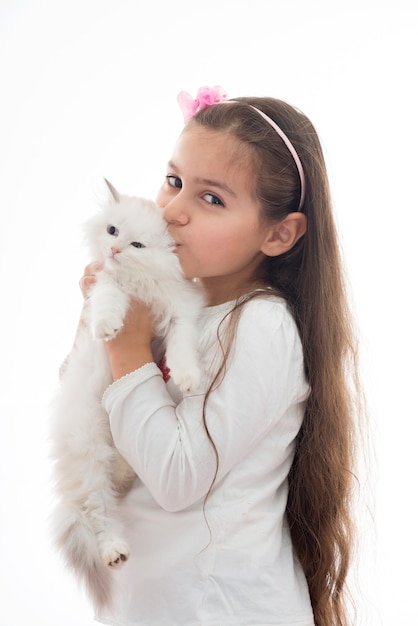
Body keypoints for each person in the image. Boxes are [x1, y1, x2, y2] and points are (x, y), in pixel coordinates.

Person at [80, 86, 361, 626]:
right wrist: (98, 325)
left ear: (279, 233)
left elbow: (176, 478)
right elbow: (90, 419)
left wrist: (129, 348)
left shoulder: (261, 325)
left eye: (211, 199)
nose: (173, 212)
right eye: (174, 181)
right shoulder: (167, 304)